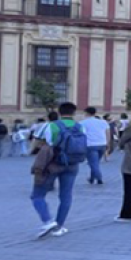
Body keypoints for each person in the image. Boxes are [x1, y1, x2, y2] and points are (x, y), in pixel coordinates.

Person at [30, 102, 85, 238]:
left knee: (37, 195)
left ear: (60, 112)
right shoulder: (80, 127)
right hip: (72, 164)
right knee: (66, 195)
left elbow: (38, 142)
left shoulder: (51, 126)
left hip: (52, 164)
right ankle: (59, 226)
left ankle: (47, 221)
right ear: (74, 113)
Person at [78, 107, 111, 184]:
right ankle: (92, 178)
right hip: (102, 143)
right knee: (95, 162)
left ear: (86, 113)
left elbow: (81, 135)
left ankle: (99, 177)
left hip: (90, 145)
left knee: (93, 163)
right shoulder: (103, 122)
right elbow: (108, 133)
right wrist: (108, 143)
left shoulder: (82, 123)